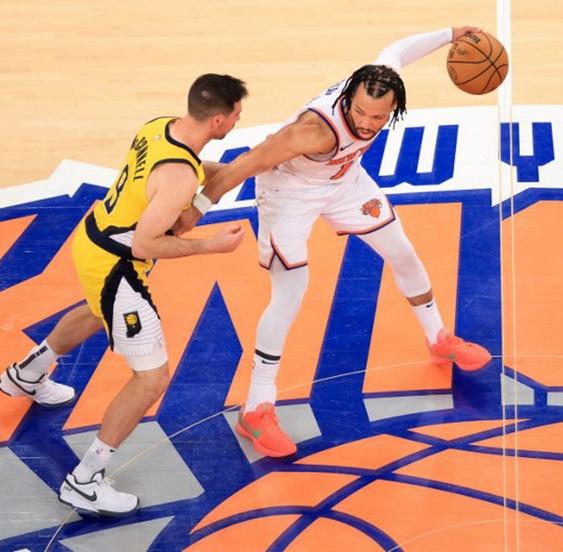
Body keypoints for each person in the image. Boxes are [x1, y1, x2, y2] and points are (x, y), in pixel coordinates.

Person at [175, 27, 492, 459]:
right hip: (288, 195)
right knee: (291, 293)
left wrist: (451, 35)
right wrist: (195, 210)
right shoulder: (313, 130)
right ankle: (256, 408)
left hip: (343, 181)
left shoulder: (378, 80)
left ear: (393, 106)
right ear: (349, 99)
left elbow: (397, 50)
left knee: (402, 251)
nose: (366, 122)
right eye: (360, 113)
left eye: (377, 117)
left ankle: (438, 337)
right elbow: (244, 165)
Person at [0, 74, 249, 517]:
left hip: (92, 241)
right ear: (217, 119)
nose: (237, 120)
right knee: (151, 378)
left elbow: (182, 172)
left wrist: (231, 171)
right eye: (236, 115)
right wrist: (210, 244)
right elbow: (146, 244)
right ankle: (85, 480)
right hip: (120, 266)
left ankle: (26, 374)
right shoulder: (177, 177)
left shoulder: (161, 126)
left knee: (98, 312)